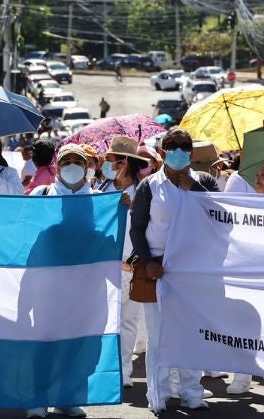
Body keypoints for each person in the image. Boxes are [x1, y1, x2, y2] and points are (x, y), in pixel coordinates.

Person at [129, 128, 218, 413]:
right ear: (163, 150)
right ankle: (158, 393)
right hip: (158, 270)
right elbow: (137, 229)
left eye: (184, 145)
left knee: (191, 333)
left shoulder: (205, 182)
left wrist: (196, 189)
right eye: (172, 145)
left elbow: (221, 218)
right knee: (158, 336)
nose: (178, 149)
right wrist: (148, 261)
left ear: (191, 152)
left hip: (192, 271)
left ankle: (192, 392)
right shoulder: (149, 186)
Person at [26, 143, 95, 418]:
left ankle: (67, 397)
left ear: (87, 166)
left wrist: (122, 207)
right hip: (47, 284)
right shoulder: (42, 194)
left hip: (84, 286)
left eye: (78, 160)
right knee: (44, 343)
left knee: (75, 343)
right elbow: (24, 231)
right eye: (66, 161)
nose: (72, 166)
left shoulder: (100, 199)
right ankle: (38, 399)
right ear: (57, 166)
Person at [100, 137, 151, 388]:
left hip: (133, 265)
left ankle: (123, 372)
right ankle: (102, 369)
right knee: (104, 319)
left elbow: (149, 231)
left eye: (110, 161)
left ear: (124, 163)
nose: (106, 166)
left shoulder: (144, 192)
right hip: (104, 266)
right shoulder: (101, 189)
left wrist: (131, 261)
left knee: (129, 321)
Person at [224, 159, 264, 395]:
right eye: (258, 174)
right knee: (245, 325)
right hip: (247, 274)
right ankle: (241, 377)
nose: (257, 178)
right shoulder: (247, 205)